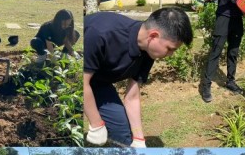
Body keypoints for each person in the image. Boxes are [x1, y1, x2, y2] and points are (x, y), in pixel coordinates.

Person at [83, 8, 193, 147]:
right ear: (153, 36)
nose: (171, 54)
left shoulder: (148, 51)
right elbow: (82, 82)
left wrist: (139, 139)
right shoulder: (100, 33)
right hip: (72, 75)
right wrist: (96, 124)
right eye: (170, 49)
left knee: (121, 131)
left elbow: (132, 97)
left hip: (99, 81)